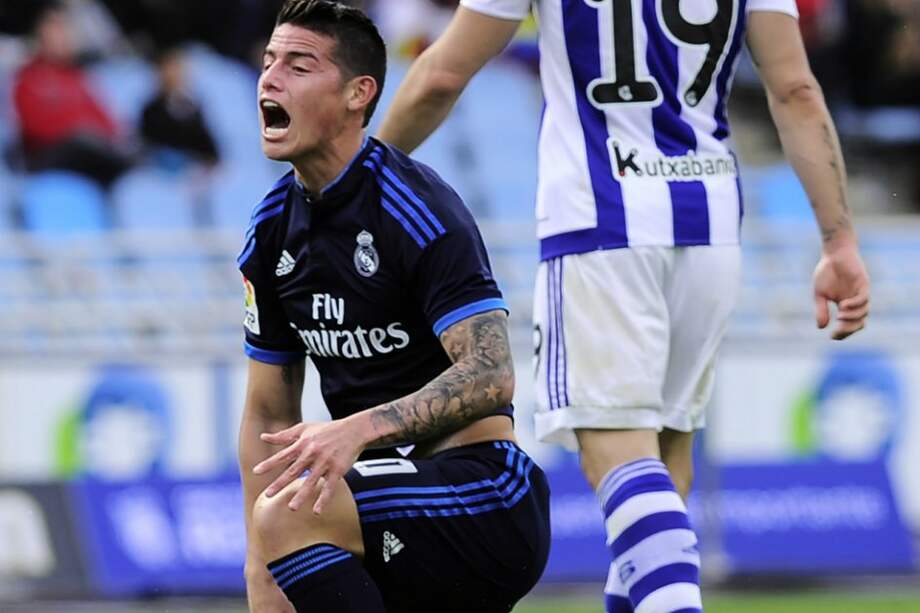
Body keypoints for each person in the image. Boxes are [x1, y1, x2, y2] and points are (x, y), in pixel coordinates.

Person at [377, 1, 871, 611]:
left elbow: (440, 76)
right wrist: (838, 239)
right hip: (710, 225)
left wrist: (356, 181)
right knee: (666, 463)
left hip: (600, 223)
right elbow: (795, 89)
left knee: (617, 458)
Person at [237, 2, 550, 612]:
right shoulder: (271, 228)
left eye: (298, 66)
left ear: (360, 93)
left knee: (292, 513)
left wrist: (358, 429)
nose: (270, 79)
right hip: (379, 509)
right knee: (280, 532)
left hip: (483, 489)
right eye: (269, 62)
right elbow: (265, 411)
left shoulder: (415, 207)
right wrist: (258, 559)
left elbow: (491, 373)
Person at [12, 1, 131, 186]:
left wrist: (95, 133)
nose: (62, 38)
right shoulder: (28, 79)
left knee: (123, 152)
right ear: (40, 36)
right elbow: (33, 126)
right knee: (84, 142)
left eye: (64, 31)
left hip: (87, 152)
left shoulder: (77, 78)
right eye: (55, 31)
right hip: (47, 157)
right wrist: (76, 128)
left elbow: (106, 121)